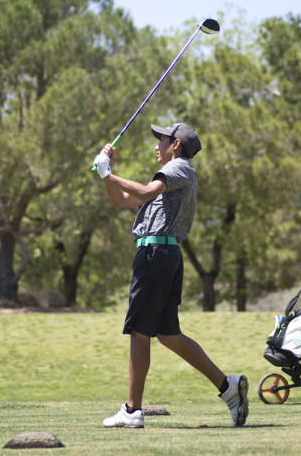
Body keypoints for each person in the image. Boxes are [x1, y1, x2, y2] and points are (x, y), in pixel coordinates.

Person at [93, 123, 249, 429]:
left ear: (175, 145)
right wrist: (106, 173)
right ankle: (228, 387)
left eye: (160, 140)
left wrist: (108, 173)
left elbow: (145, 190)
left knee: (139, 330)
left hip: (156, 255)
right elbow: (120, 200)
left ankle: (131, 410)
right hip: (164, 255)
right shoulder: (175, 176)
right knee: (166, 334)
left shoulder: (178, 168)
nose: (156, 146)